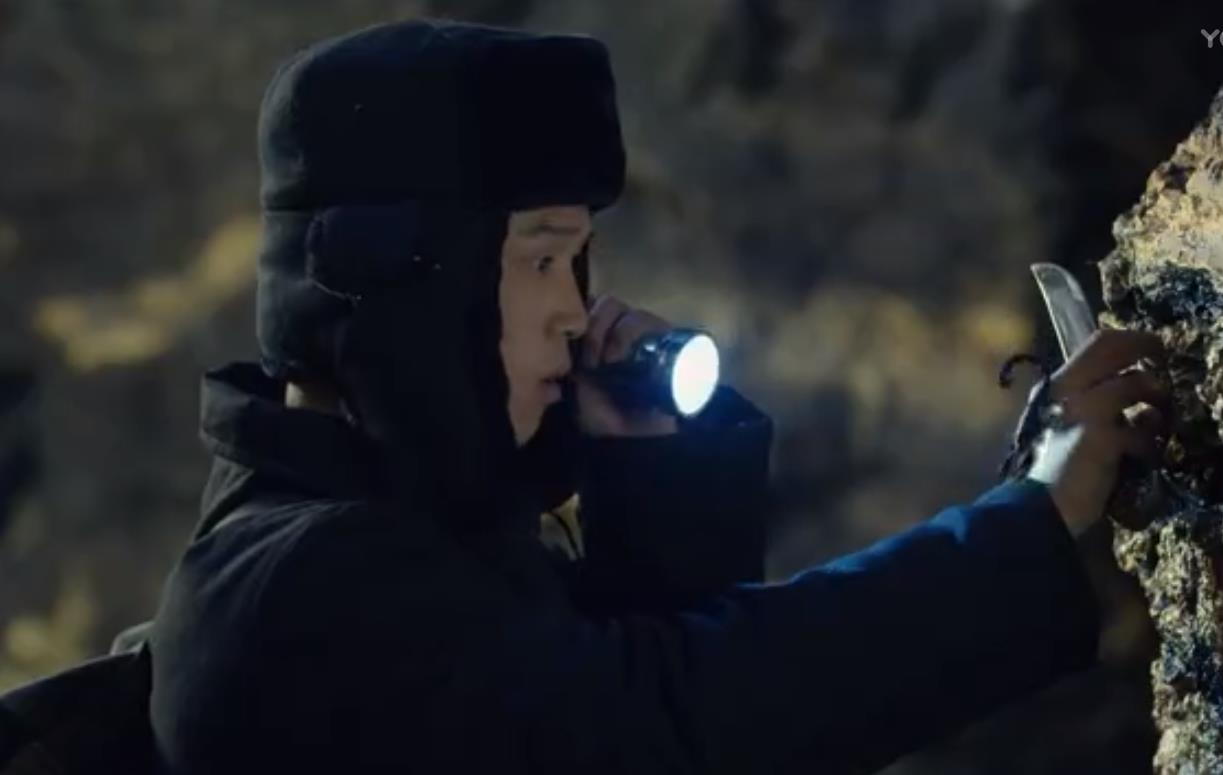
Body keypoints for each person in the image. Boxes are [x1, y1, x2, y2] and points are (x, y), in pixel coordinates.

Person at [145, 18, 1169, 775]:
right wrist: (1035, 510)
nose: (570, 310)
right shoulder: (303, 591)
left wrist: (649, 479)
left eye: (576, 262)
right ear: (412, 285)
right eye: (538, 259)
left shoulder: (407, 532)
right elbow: (675, 723)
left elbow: (623, 687)